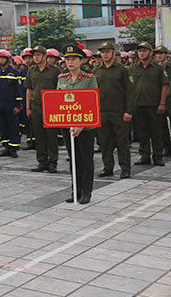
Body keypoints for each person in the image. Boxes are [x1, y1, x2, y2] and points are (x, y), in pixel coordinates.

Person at [57, 43, 99, 204]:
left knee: (86, 159)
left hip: (86, 127)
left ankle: (87, 191)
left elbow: (92, 102)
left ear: (81, 61)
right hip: (68, 126)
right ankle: (76, 190)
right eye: (67, 59)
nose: (70, 62)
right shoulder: (62, 79)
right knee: (73, 159)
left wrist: (82, 124)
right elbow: (58, 102)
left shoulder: (89, 79)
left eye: (74, 59)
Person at [93, 41, 134, 179]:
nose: (105, 54)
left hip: (118, 112)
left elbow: (129, 91)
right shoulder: (96, 70)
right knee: (105, 142)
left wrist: (129, 110)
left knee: (122, 142)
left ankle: (125, 168)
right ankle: (107, 167)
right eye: (103, 52)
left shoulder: (122, 70)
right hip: (102, 112)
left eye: (107, 52)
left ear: (113, 53)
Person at [130, 41, 168, 166]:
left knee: (156, 132)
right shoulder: (133, 68)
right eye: (140, 51)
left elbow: (164, 85)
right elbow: (129, 86)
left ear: (150, 53)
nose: (142, 53)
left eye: (144, 50)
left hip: (154, 105)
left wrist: (162, 103)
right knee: (142, 132)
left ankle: (158, 155)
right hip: (138, 105)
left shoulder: (158, 68)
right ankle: (144, 155)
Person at [25, 46, 62, 173]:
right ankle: (42, 161)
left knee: (51, 136)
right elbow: (29, 89)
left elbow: (60, 89)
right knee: (39, 136)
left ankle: (53, 162)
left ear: (45, 56)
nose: (35, 57)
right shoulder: (31, 71)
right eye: (34, 55)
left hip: (51, 107)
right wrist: (28, 107)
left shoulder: (55, 70)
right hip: (36, 107)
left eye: (38, 55)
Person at [0, 50, 23, 158]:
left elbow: (18, 90)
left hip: (11, 106)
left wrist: (18, 105)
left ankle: (13, 148)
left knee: (13, 127)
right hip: (0, 105)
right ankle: (6, 148)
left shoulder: (15, 73)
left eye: (2, 58)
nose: (0, 60)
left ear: (7, 59)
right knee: (3, 127)